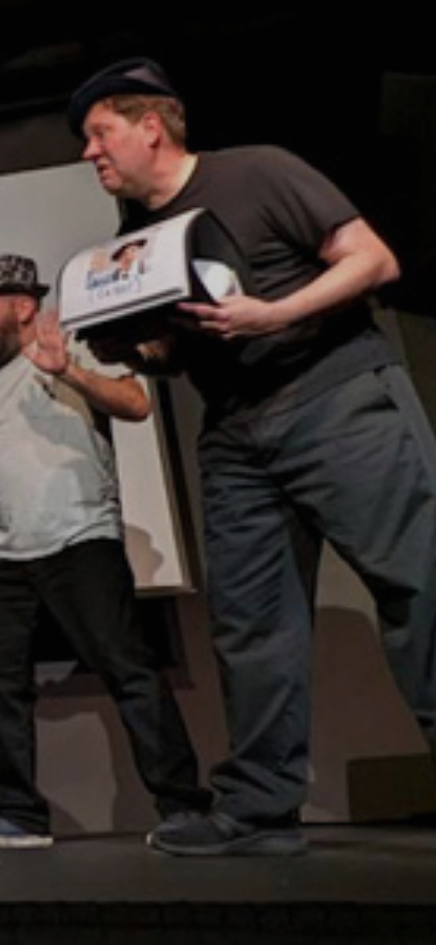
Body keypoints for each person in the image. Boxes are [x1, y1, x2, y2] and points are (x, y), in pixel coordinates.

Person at [71, 57, 436, 855]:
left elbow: (373, 259)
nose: (89, 152)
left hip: (335, 396)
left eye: (99, 134)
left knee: (419, 585)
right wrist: (131, 348)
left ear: (150, 126)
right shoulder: (137, 239)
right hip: (236, 430)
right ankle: (260, 810)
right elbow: (176, 350)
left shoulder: (258, 171)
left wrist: (275, 313)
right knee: (251, 621)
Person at [0, 253, 210, 849]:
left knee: (128, 671)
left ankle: (183, 806)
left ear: (23, 306)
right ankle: (21, 815)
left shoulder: (73, 349)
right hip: (7, 553)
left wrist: (67, 370)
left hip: (81, 539)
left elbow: (136, 404)